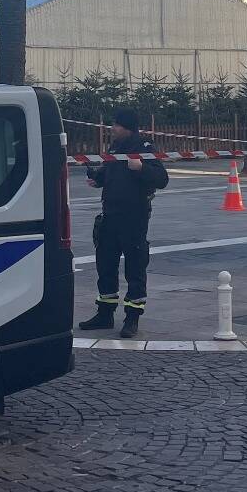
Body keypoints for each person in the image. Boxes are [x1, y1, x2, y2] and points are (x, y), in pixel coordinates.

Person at [78, 108, 167, 339]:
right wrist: (97, 178)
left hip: (134, 217)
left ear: (127, 127)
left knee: (135, 268)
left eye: (116, 125)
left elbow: (162, 179)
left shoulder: (144, 147)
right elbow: (110, 172)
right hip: (110, 215)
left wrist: (141, 168)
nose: (113, 128)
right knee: (105, 265)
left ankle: (132, 318)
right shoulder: (115, 148)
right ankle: (105, 314)